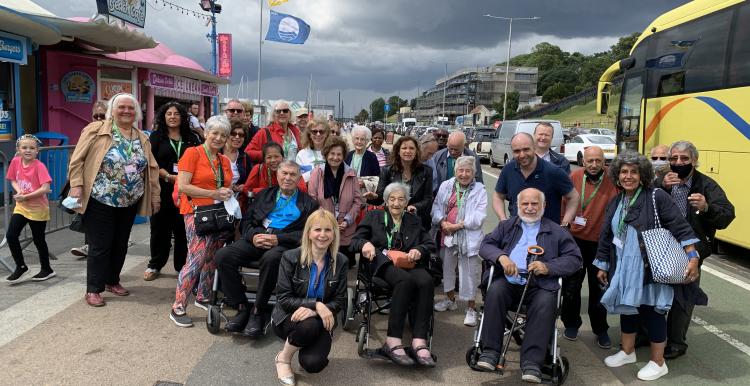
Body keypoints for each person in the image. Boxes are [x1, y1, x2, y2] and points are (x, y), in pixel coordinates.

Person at [594, 150, 700, 381]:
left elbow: (679, 226)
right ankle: (628, 351)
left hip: (649, 266)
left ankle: (658, 362)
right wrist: (602, 264)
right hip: (623, 265)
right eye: (623, 172)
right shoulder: (617, 200)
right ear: (617, 175)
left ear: (642, 174)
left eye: (633, 172)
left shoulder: (656, 196)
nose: (628, 176)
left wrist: (693, 257)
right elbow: (606, 234)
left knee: (652, 312)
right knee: (627, 308)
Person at [476, 188, 582, 383]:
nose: (530, 208)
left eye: (535, 204)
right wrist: (501, 257)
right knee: (495, 292)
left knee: (545, 303)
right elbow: (485, 245)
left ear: (544, 206)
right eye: (525, 204)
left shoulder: (556, 231)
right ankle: (490, 352)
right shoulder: (506, 226)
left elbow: (575, 259)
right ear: (518, 206)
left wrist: (548, 267)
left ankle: (532, 363)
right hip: (509, 280)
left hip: (541, 284)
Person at [68, 93, 160, 307]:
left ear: (136, 112)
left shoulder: (141, 136)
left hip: (129, 199)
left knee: (120, 243)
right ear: (113, 110)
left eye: (131, 108)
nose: (126, 111)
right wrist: (76, 185)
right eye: (122, 107)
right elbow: (77, 159)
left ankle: (112, 280)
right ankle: (94, 289)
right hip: (101, 197)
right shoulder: (96, 130)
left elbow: (152, 168)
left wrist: (155, 195)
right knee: (100, 245)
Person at [215, 161, 319, 338]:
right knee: (223, 256)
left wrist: (278, 239)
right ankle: (241, 306)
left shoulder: (308, 203)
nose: (287, 178)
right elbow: (247, 221)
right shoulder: (264, 194)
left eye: (292, 174)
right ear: (277, 175)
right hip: (257, 237)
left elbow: (306, 233)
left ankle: (258, 310)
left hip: (284, 244)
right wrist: (254, 236)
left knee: (271, 259)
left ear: (299, 177)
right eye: (284, 173)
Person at [660, 141, 735, 359]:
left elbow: (727, 215)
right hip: (661, 246)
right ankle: (648, 334)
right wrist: (661, 186)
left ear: (694, 161)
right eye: (673, 159)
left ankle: (676, 342)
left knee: (683, 297)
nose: (678, 163)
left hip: (691, 250)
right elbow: (644, 203)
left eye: (684, 159)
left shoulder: (707, 185)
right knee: (652, 292)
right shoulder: (663, 181)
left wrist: (707, 208)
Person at [351, 182, 437, 367]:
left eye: (401, 199)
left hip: (408, 262)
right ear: (386, 200)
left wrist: (419, 250)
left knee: (426, 281)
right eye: (392, 199)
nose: (396, 203)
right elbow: (356, 240)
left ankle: (419, 341)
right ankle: (392, 341)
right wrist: (365, 244)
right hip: (382, 263)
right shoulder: (374, 216)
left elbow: (429, 243)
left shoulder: (414, 220)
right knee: (404, 281)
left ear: (407, 202)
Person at [169, 115, 234, 327]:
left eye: (223, 135)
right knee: (196, 258)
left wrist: (225, 193)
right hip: (196, 211)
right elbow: (184, 186)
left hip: (218, 213)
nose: (218, 138)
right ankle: (178, 305)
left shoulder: (224, 160)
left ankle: (203, 296)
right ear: (206, 133)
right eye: (214, 133)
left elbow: (225, 185)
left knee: (212, 257)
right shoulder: (192, 153)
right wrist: (215, 192)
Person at [272, 209, 348, 383]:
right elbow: (283, 298)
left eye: (328, 230)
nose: (323, 235)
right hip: (287, 316)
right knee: (309, 326)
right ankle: (283, 358)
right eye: (317, 230)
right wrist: (316, 305)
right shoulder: (290, 257)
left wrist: (315, 310)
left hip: (320, 319)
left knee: (313, 364)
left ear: (334, 234)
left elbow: (341, 299)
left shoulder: (341, 261)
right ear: (308, 233)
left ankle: (301, 340)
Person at [560, 146, 619, 347]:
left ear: (604, 162)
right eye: (590, 161)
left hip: (601, 244)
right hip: (575, 241)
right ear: (583, 161)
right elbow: (564, 203)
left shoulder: (614, 180)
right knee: (571, 287)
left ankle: (601, 328)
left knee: (599, 289)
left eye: (598, 161)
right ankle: (571, 323)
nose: (594, 165)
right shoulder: (573, 177)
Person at [144, 101, 201, 281]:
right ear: (163, 116)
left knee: (183, 229)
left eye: (176, 114)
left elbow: (199, 159)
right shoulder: (156, 137)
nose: (173, 117)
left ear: (182, 117)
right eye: (169, 114)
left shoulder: (192, 137)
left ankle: (181, 267)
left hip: (186, 190)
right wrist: (169, 176)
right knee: (159, 229)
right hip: (163, 188)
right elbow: (151, 162)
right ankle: (155, 265)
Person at [431, 156, 487, 326]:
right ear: (455, 171)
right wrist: (442, 222)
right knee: (447, 268)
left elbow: (479, 217)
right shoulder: (447, 185)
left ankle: (471, 308)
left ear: (474, 173)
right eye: (460, 170)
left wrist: (456, 226)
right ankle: (450, 300)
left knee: (469, 273)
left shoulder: (480, 189)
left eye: (468, 171)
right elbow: (436, 207)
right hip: (447, 234)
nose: (464, 174)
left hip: (467, 237)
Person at [492, 132, 579, 225]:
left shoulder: (553, 172)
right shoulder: (508, 170)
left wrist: (565, 224)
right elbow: (498, 196)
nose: (522, 155)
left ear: (534, 147)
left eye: (526, 149)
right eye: (517, 151)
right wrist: (503, 220)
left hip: (547, 234)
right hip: (516, 232)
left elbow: (573, 197)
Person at [4, 135, 54, 282]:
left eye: (32, 148)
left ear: (37, 151)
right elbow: (13, 179)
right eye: (24, 147)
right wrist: (19, 190)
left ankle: (47, 269)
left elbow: (46, 188)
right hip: (21, 207)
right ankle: (21, 266)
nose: (28, 150)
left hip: (38, 208)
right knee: (11, 235)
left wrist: (26, 196)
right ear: (18, 149)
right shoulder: (15, 161)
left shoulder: (39, 166)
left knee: (39, 240)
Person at [308, 136, 362, 268]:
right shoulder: (317, 172)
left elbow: (358, 201)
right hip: (323, 228)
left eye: (339, 154)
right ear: (326, 154)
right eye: (332, 154)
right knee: (323, 265)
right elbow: (312, 200)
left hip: (346, 229)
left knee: (344, 265)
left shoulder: (351, 173)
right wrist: (328, 222)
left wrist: (347, 220)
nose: (335, 157)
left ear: (344, 156)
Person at [364, 136, 433, 229]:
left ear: (416, 151)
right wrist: (373, 197)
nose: (408, 151)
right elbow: (381, 197)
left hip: (417, 221)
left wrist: (415, 206)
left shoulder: (426, 171)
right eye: (404, 148)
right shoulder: (387, 170)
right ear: (398, 151)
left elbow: (428, 198)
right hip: (393, 220)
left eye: (411, 148)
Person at [70, 101, 108, 259]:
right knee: (89, 216)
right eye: (96, 116)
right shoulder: (88, 130)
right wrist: (76, 183)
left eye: (103, 115)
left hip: (110, 187)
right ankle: (90, 245)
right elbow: (77, 158)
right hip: (91, 184)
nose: (99, 118)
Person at [295, 117, 330, 183]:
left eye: (321, 131)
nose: (318, 134)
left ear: (326, 134)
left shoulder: (332, 153)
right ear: (309, 134)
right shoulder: (302, 154)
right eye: (314, 131)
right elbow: (299, 179)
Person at [225, 121, 253, 193]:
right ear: (227, 135)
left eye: (241, 135)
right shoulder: (217, 153)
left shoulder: (245, 157)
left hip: (236, 198)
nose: (237, 137)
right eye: (233, 134)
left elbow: (249, 180)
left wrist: (244, 186)